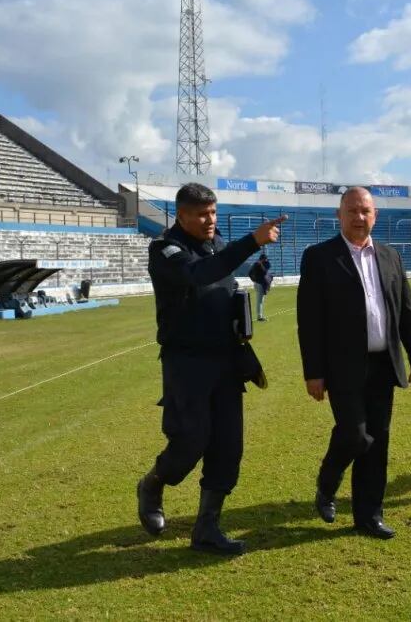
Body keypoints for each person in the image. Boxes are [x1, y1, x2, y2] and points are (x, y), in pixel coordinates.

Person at [136, 182, 284, 555]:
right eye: (202, 214)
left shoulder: (218, 243)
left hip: (227, 361)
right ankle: (153, 483)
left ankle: (207, 530)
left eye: (214, 213)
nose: (210, 220)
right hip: (187, 363)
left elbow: (222, 283)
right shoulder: (165, 249)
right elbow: (200, 274)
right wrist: (252, 241)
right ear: (181, 215)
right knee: (190, 442)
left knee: (228, 447)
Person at [297, 187, 411, 539]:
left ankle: (369, 516)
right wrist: (314, 372)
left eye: (366, 211)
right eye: (353, 211)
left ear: (376, 216)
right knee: (356, 436)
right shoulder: (319, 257)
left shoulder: (390, 256)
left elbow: (407, 312)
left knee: (379, 441)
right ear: (339, 215)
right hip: (342, 367)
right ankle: (328, 483)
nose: (360, 217)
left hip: (384, 365)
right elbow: (309, 321)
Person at [247, 254, 273, 321]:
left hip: (260, 284)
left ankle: (260, 315)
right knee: (260, 301)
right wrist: (254, 280)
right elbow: (250, 273)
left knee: (260, 300)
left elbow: (264, 271)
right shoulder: (256, 264)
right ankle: (259, 317)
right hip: (259, 284)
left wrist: (260, 264)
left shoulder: (267, 264)